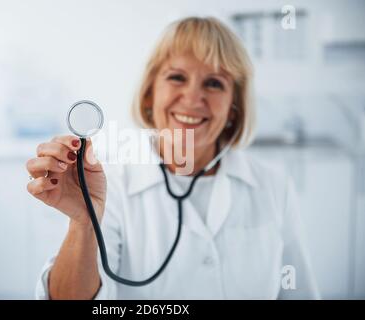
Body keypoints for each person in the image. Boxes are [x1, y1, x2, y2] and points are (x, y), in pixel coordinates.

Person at [26, 16, 320, 299]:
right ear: (149, 95)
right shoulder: (109, 183)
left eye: (215, 83)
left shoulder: (273, 186)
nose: (193, 99)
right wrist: (83, 222)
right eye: (177, 77)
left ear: (234, 106)